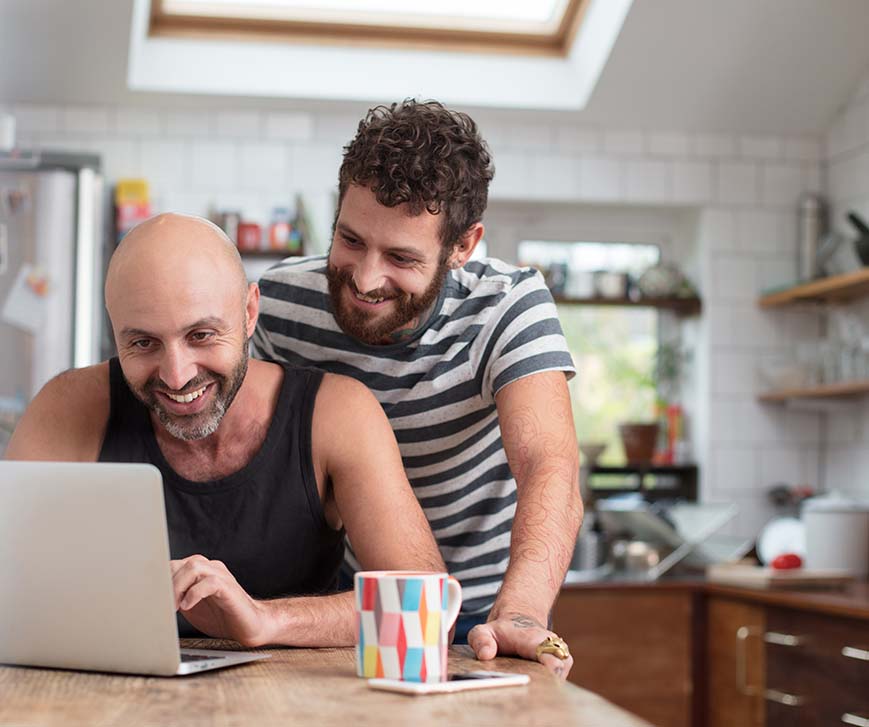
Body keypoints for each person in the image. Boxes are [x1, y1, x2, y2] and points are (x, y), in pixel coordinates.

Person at [6, 212, 445, 648]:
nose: (176, 377)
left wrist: (267, 620)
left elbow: (427, 607)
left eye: (201, 335)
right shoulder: (68, 408)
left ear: (249, 312)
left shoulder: (336, 414)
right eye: (143, 343)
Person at [253, 100, 583, 677]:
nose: (364, 278)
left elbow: (547, 465)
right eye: (350, 239)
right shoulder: (280, 306)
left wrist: (523, 613)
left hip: (484, 616)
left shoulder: (507, 307)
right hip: (341, 609)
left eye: (401, 257)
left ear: (463, 245)